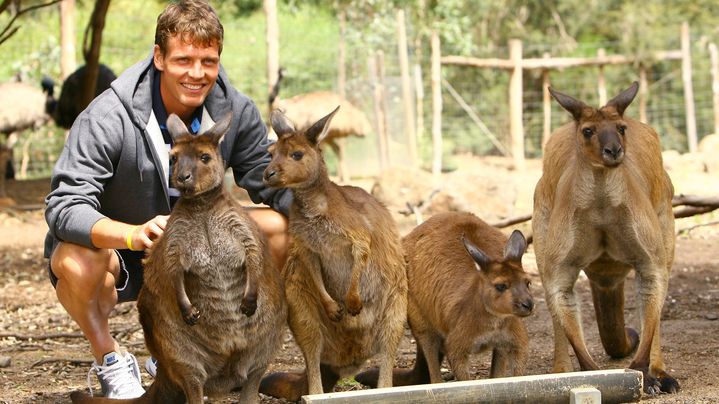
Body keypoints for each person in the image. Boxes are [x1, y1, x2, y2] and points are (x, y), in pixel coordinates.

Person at [44, 0, 291, 399]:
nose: (197, 73)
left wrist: (332, 216)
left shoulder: (233, 110)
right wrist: (133, 234)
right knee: (74, 259)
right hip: (133, 252)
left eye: (208, 61)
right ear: (159, 57)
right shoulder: (109, 116)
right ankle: (110, 359)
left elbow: (269, 181)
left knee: (279, 229)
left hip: (202, 257)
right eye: (184, 60)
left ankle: (205, 352)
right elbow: (64, 206)